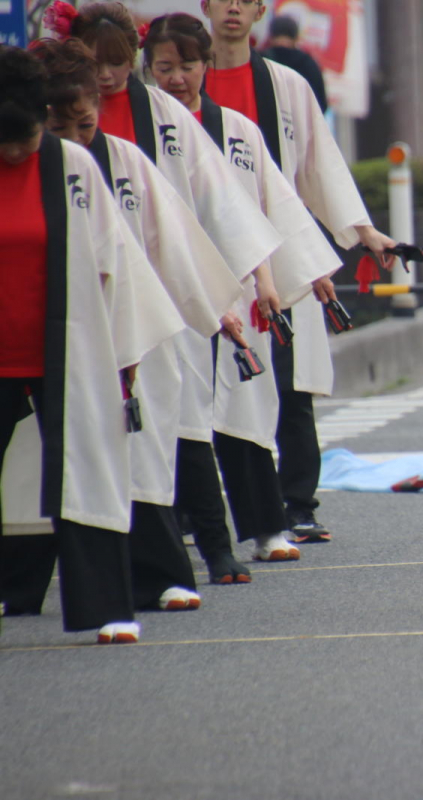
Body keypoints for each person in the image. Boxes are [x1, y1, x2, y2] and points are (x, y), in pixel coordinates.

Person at [68, 1, 288, 578]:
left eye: (118, 63)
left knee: (184, 421)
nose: (107, 76)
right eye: (96, 62)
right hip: (84, 293)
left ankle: (214, 548)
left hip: (166, 284)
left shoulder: (162, 116)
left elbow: (218, 201)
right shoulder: (62, 121)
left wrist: (248, 282)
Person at [30, 35, 248, 612]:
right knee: (40, 465)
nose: (76, 139)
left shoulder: (124, 161)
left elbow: (169, 242)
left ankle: (157, 574)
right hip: (38, 333)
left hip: (128, 322)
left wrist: (213, 308)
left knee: (145, 451)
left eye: (85, 124)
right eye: (60, 127)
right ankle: (22, 583)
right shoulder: (27, 166)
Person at [0, 44, 182, 643]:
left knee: (86, 470)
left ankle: (108, 607)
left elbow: (116, 263)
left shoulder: (73, 166)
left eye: (26, 139)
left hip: (67, 349)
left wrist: (126, 354)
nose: (17, 153)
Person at [201, 0, 398, 544]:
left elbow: (320, 166)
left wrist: (364, 231)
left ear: (260, 10)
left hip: (280, 244)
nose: (233, 7)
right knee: (200, 384)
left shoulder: (286, 85)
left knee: (290, 381)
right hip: (204, 247)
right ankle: (197, 510)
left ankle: (298, 503)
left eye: (245, 0)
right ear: (205, 6)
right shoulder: (175, 89)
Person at [145, 13, 342, 556]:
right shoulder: (134, 134)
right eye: (165, 67)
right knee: (171, 409)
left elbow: (267, 205)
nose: (177, 78)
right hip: (165, 286)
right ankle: (175, 532)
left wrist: (279, 273)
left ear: (205, 65)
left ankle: (266, 526)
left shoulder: (236, 129)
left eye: (188, 65)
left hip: (236, 281)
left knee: (247, 406)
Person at [260, 14, 326, 113]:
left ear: (271, 36)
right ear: (296, 38)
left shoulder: (260, 60)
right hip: (298, 120)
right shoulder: (308, 64)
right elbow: (320, 105)